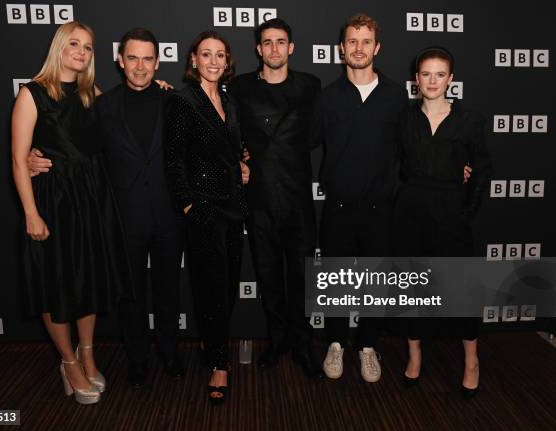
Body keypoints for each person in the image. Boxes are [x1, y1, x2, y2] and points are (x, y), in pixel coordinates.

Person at [29, 28, 186, 389]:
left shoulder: (174, 101)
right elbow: (67, 139)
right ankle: (138, 359)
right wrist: (29, 156)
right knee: (131, 295)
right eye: (133, 58)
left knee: (168, 290)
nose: (141, 66)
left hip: (168, 215)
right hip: (121, 216)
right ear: (120, 61)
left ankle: (170, 352)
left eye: (148, 58)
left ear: (158, 62)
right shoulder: (101, 104)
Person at [11, 21, 131, 404]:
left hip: (91, 199)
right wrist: (31, 212)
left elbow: (123, 121)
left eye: (89, 47)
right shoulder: (32, 94)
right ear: (59, 47)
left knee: (88, 280)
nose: (82, 51)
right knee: (57, 284)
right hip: (54, 202)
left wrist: (161, 90)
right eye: (74, 44)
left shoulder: (90, 94)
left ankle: (88, 353)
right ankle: (67, 362)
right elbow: (18, 159)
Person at [310, 13, 409, 382]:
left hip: (380, 208)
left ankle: (368, 346)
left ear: (377, 48)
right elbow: (300, 142)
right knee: (336, 278)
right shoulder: (327, 97)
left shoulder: (396, 96)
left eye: (366, 41)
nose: (359, 48)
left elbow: (414, 143)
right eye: (352, 41)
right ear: (342, 49)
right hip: (337, 206)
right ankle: (335, 343)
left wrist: (456, 163)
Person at [227, 18, 323, 379]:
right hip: (260, 199)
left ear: (291, 47)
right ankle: (278, 339)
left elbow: (319, 134)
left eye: (281, 42)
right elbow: (226, 132)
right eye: (267, 43)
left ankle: (302, 343)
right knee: (268, 275)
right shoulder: (239, 88)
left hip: (297, 199)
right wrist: (238, 158)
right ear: (258, 49)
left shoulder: (310, 86)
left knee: (300, 277)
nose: (274, 49)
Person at [394, 47, 491, 398]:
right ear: (415, 79)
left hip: (451, 213)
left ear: (450, 79)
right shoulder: (403, 119)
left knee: (461, 290)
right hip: (411, 213)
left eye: (439, 74)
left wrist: (466, 211)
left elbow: (481, 170)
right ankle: (415, 354)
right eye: (425, 74)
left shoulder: (470, 120)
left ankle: (471, 361)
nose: (432, 81)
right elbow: (393, 166)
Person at [164, 30, 249, 404]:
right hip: (203, 210)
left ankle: (210, 342)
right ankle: (218, 363)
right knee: (211, 288)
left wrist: (242, 165)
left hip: (232, 207)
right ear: (193, 60)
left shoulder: (228, 99)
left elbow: (230, 149)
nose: (214, 61)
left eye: (220, 55)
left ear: (227, 62)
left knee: (228, 285)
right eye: (206, 54)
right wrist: (187, 205)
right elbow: (174, 158)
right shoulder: (183, 101)